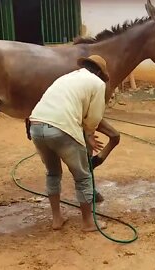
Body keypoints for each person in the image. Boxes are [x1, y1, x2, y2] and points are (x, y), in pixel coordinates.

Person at [28, 55, 110, 232]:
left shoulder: (66, 78)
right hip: (61, 128)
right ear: (98, 72)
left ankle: (57, 219)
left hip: (35, 125)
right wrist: (89, 134)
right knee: (83, 176)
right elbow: (94, 117)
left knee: (52, 173)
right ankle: (88, 222)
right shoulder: (97, 83)